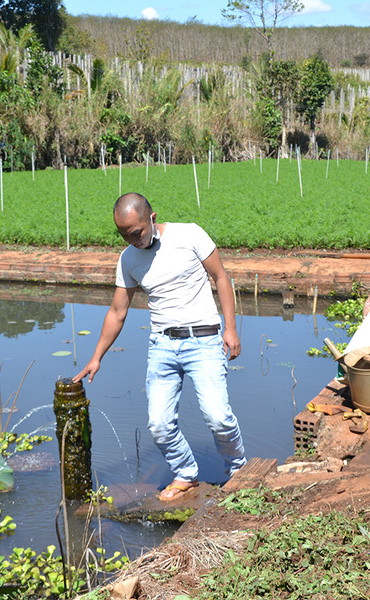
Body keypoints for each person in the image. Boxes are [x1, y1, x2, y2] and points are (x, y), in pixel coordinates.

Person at [73, 192, 247, 501]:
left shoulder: (189, 234)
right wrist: (96, 357)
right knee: (159, 425)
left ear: (151, 218)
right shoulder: (128, 259)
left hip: (204, 340)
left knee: (218, 416)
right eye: (124, 235)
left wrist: (231, 329)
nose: (133, 240)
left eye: (137, 232)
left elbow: (221, 277)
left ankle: (239, 471)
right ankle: (186, 474)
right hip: (163, 347)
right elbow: (117, 311)